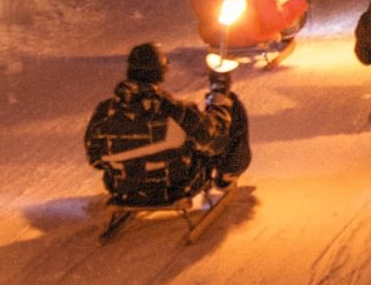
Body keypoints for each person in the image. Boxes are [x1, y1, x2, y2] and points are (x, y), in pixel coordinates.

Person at [84, 42, 250, 208]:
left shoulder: (104, 112)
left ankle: (135, 185)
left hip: (122, 191)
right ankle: (227, 176)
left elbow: (95, 159)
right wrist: (220, 98)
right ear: (161, 72)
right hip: (175, 190)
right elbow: (215, 142)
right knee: (229, 110)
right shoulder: (175, 111)